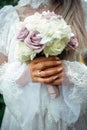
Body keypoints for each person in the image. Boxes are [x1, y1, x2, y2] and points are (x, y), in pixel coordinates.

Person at [0, 0, 87, 130]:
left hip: (71, 122)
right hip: (23, 122)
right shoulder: (7, 17)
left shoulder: (83, 10)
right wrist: (26, 75)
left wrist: (74, 76)